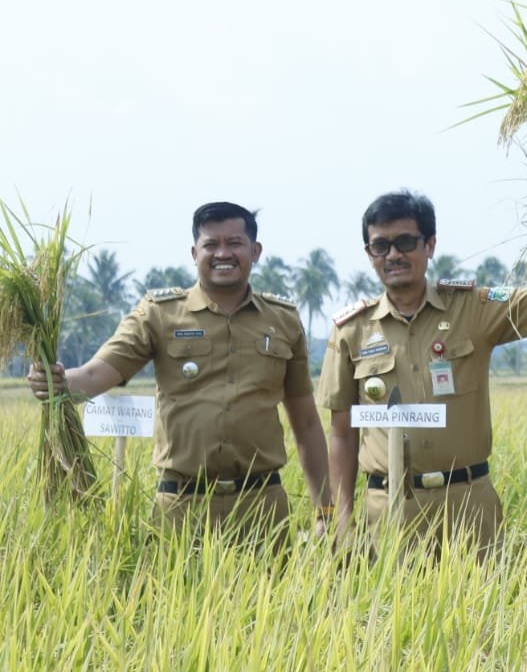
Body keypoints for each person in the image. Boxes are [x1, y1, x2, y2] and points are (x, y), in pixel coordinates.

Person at [28, 202, 330, 543]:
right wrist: (59, 382)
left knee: (270, 597)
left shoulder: (284, 320)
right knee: (174, 594)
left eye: (234, 243)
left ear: (255, 251)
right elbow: (97, 374)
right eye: (211, 245)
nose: (222, 253)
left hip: (262, 506)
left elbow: (305, 422)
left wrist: (325, 511)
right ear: (194, 252)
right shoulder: (159, 314)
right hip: (181, 507)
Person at [316, 176, 527, 555]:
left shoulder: (473, 308)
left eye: (406, 242)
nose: (393, 255)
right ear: (369, 253)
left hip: (469, 505)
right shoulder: (352, 331)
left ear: (430, 245)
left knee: (485, 612)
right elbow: (341, 433)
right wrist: (339, 516)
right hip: (390, 511)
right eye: (381, 246)